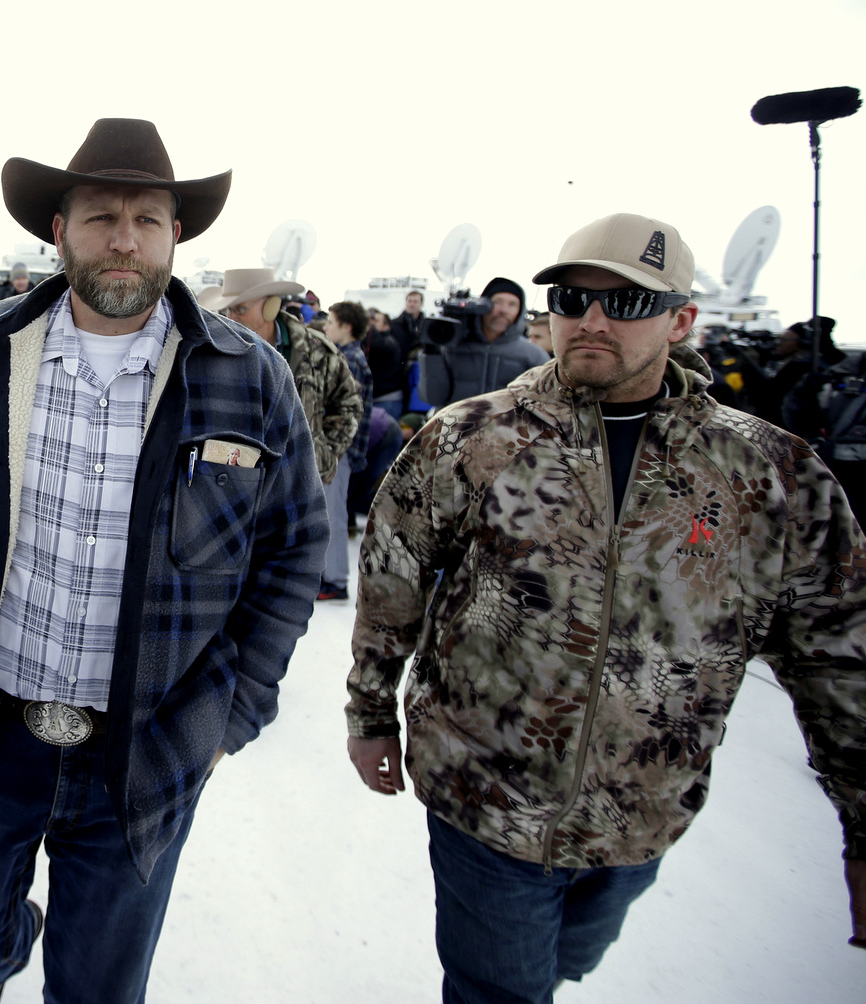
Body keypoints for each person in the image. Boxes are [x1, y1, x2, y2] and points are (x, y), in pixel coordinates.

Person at [0, 119, 326, 1004]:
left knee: (98, 984)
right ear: (57, 229)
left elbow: (294, 550)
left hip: (145, 744)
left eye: (148, 218)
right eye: (100, 215)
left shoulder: (248, 376)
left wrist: (238, 709)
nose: (124, 238)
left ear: (177, 234)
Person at [347, 212, 866, 1003]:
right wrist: (370, 714)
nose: (591, 320)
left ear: (682, 320)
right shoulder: (473, 440)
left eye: (625, 303)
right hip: (483, 797)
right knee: (500, 988)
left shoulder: (769, 475)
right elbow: (392, 581)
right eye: (573, 298)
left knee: (566, 959)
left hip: (644, 812)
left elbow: (837, 651)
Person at [218, 268, 361, 602]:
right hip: (241, 474)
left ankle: (319, 587)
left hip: (305, 472)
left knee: (310, 541)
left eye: (240, 308)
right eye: (228, 310)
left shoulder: (317, 351)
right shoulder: (221, 345)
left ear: (270, 307)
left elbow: (349, 403)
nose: (231, 316)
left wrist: (326, 451)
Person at [314, 303, 375, 597]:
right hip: (341, 450)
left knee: (333, 515)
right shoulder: (349, 358)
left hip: (340, 452)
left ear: (347, 327)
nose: (327, 327)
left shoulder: (349, 361)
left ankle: (336, 580)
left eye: (332, 322)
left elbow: (348, 412)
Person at [418, 276, 548, 408]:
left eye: (512, 304)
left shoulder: (534, 355)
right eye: (497, 302)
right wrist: (431, 353)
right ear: (483, 306)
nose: (504, 310)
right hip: (456, 426)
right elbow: (433, 397)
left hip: (507, 428)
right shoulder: (452, 347)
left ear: (520, 311)